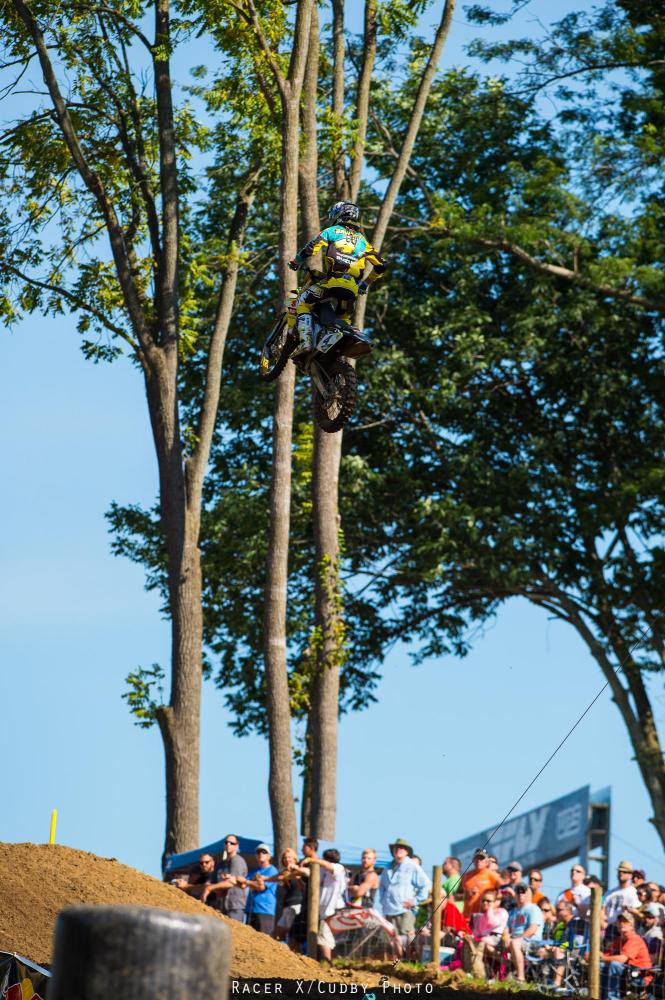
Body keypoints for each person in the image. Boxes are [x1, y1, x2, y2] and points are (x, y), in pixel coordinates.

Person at [287, 201, 387, 357]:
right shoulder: (363, 242)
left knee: (303, 302)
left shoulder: (332, 231)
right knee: (343, 317)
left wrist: (296, 261)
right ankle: (332, 346)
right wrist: (365, 284)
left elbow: (311, 247)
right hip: (352, 289)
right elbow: (381, 265)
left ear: (339, 214)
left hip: (333, 282)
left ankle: (306, 343)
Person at [378, 838, 431, 959]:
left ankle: (411, 962)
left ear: (407, 852)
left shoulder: (412, 866)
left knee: (408, 938)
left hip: (405, 910)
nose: (399, 850)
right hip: (389, 909)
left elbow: (426, 884)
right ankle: (398, 962)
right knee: (392, 939)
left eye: (402, 848)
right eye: (397, 847)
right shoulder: (387, 867)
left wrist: (415, 901)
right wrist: (383, 901)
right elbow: (382, 887)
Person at [303, 847, 347, 963]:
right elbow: (308, 873)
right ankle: (331, 963)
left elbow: (329, 866)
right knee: (327, 939)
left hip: (333, 911)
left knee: (324, 939)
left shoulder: (338, 868)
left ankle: (328, 964)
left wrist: (312, 860)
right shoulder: (323, 870)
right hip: (324, 912)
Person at [600, 912, 651, 1000]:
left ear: (632, 926)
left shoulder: (635, 939)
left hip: (639, 976)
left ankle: (612, 998)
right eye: (620, 921)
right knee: (600, 965)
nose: (622, 923)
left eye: (625, 921)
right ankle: (602, 996)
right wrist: (593, 955)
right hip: (627, 973)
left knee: (614, 965)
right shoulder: (619, 940)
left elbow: (622, 959)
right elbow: (605, 954)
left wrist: (602, 958)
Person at [264, 847, 306, 946]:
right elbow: (277, 877)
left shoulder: (299, 869)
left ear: (295, 859)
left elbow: (296, 878)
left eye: (290, 857)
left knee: (291, 936)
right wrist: (265, 878)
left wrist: (286, 875)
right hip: (287, 906)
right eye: (285, 858)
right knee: (276, 935)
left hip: (296, 905)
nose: (287, 860)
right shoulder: (285, 871)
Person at [200, 836, 248, 920]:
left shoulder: (237, 861)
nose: (228, 844)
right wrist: (215, 889)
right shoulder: (221, 864)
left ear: (237, 846)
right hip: (221, 906)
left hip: (234, 906)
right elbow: (209, 882)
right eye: (226, 842)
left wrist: (210, 888)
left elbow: (231, 882)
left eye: (231, 843)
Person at [506, 884, 544, 982]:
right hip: (514, 939)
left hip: (531, 941)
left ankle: (520, 978)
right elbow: (506, 930)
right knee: (486, 942)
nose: (520, 894)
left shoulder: (533, 909)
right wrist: (505, 938)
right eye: (518, 891)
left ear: (529, 894)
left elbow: (532, 930)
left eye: (523, 891)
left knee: (514, 943)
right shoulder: (512, 912)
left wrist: (514, 939)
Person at [241, 844, 279, 935]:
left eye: (264, 852)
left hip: (265, 911)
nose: (261, 854)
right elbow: (242, 885)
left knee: (264, 942)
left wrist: (248, 882)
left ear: (269, 856)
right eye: (258, 852)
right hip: (250, 910)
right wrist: (251, 882)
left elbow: (261, 888)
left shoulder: (272, 871)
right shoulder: (253, 871)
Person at [462, 849, 502, 920]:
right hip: (468, 918)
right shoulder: (466, 876)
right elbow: (457, 895)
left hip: (485, 917)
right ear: (473, 860)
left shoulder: (492, 875)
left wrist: (495, 903)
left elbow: (503, 889)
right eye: (477, 858)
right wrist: (468, 893)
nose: (479, 861)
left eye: (482, 859)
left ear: (487, 862)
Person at [605, 861, 640, 927]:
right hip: (609, 928)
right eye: (619, 871)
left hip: (624, 927)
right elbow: (602, 908)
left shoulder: (633, 892)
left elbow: (636, 912)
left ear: (630, 875)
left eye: (624, 872)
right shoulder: (609, 893)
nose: (621, 873)